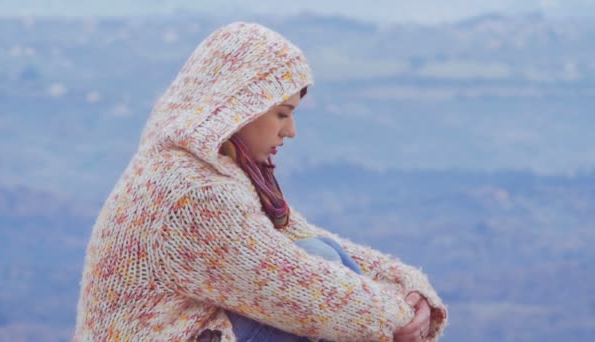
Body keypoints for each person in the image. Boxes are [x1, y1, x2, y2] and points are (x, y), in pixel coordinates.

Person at [74, 22, 448, 341]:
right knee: (320, 279)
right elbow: (297, 287)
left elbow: (294, 238)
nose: (291, 131)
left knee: (319, 251)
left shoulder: (214, 170)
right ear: (239, 107)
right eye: (282, 114)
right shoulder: (192, 193)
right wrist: (397, 318)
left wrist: (409, 285)